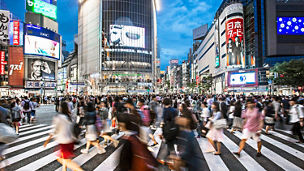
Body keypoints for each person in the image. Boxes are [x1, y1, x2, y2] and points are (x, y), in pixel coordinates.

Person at [44, 101, 83, 171]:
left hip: (64, 142)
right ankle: (64, 169)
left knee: (62, 159)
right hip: (71, 141)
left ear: (60, 108)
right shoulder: (70, 116)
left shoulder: (59, 117)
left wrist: (47, 140)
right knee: (66, 158)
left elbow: (54, 130)